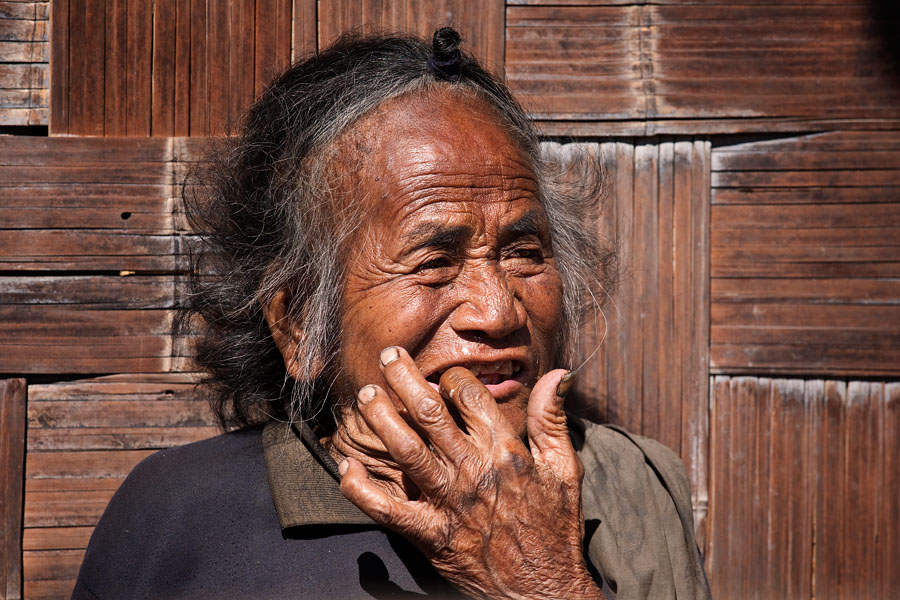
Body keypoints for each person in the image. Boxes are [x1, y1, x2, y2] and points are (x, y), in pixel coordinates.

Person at [72, 28, 710, 599]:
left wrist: (544, 584)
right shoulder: (179, 518)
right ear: (299, 326)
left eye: (522, 252)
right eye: (434, 262)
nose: (497, 310)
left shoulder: (631, 486)